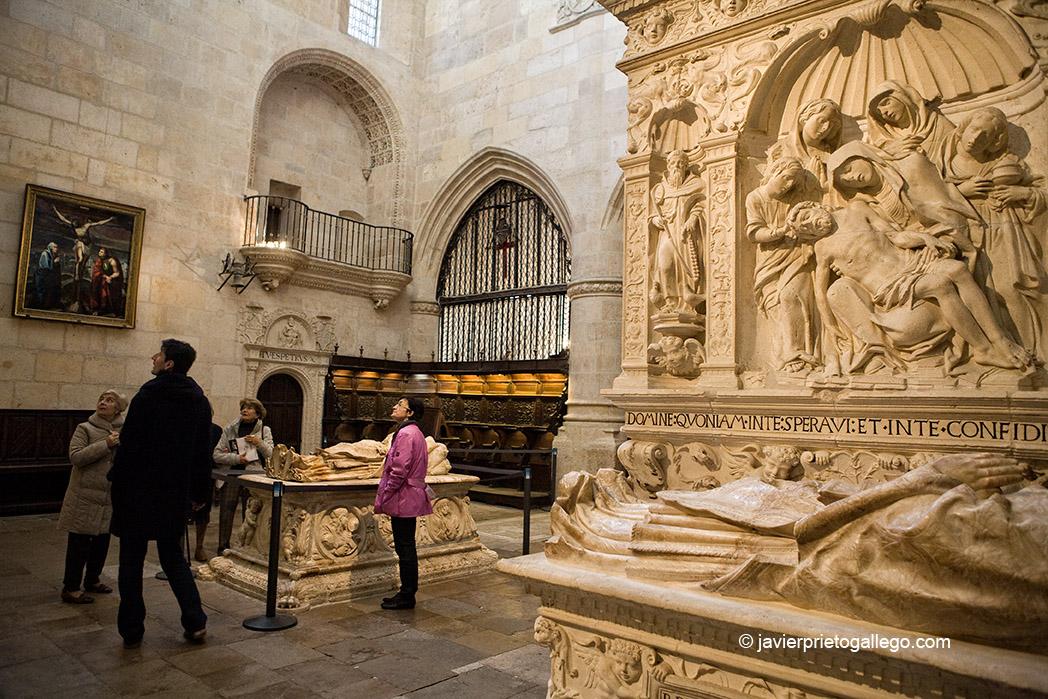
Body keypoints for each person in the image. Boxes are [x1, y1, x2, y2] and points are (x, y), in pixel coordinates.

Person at [108, 339, 212, 648]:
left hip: (138, 490)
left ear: (168, 364)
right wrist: (198, 492)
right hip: (172, 491)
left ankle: (131, 629)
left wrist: (117, 481)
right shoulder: (198, 400)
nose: (153, 357)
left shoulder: (147, 396)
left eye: (159, 355)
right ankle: (195, 622)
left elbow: (130, 444)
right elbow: (200, 452)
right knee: (173, 559)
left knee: (131, 560)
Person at [942, 107, 1048, 358]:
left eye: (985, 136)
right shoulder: (943, 161)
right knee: (982, 293)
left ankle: (1034, 353)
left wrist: (1022, 193)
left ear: (995, 142)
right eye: (974, 130)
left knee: (1009, 289)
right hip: (962, 235)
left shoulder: (1005, 163)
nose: (976, 138)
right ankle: (999, 350)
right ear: (963, 128)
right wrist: (961, 191)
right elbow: (924, 198)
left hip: (1002, 232)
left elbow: (1042, 189)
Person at [58, 389, 127, 604]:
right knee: (79, 543)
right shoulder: (85, 428)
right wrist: (105, 444)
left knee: (101, 541)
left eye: (109, 400)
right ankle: (70, 587)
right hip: (84, 496)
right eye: (101, 399)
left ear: (118, 408)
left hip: (108, 496)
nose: (103, 403)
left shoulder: (124, 431)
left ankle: (92, 580)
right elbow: (76, 457)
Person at [375, 397, 433, 610]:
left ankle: (407, 594)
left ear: (410, 413)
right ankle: (407, 592)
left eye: (399, 405)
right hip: (408, 494)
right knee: (406, 545)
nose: (394, 407)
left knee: (405, 547)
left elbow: (400, 468)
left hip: (404, 496)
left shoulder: (407, 433)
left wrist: (388, 491)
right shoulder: (415, 432)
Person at [213, 398, 273, 554]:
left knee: (251, 513)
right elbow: (217, 455)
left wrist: (259, 443)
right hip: (232, 474)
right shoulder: (230, 428)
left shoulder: (264, 430)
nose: (244, 410)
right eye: (243, 408)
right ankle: (223, 547)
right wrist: (237, 458)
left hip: (253, 476)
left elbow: (272, 455)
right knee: (226, 510)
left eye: (249, 408)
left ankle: (247, 547)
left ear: (258, 413)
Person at [191, 415, 223, 562]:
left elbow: (218, 453)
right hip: (185, 474)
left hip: (205, 475)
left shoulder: (216, 430)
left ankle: (199, 546)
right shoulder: (185, 425)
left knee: (203, 514)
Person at [34, 241, 62, 309]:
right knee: (44, 290)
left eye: (57, 247)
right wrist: (54, 262)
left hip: (49, 276)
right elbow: (46, 267)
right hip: (43, 275)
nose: (56, 249)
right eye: (55, 247)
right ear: (51, 248)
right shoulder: (45, 254)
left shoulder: (53, 255)